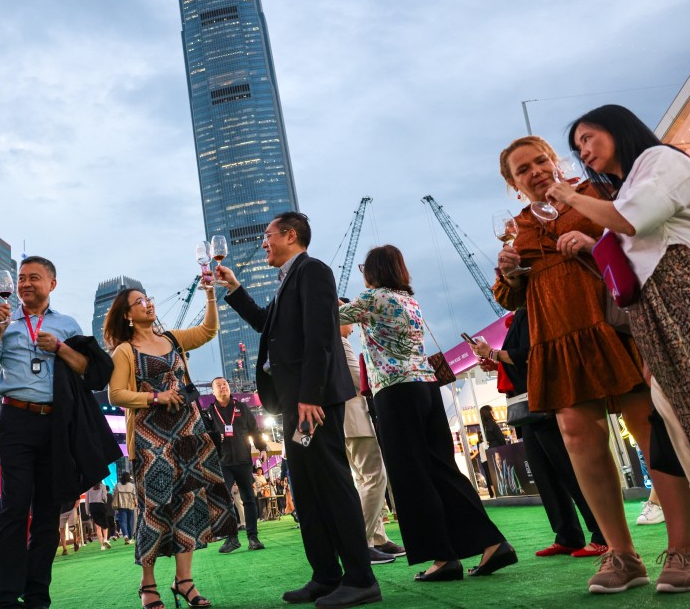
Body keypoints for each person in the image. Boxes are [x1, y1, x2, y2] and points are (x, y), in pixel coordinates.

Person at [495, 133, 690, 592]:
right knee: (577, 435)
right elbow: (510, 297)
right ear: (513, 184)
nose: (535, 172)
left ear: (555, 160)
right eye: (523, 170)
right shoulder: (519, 226)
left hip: (614, 325)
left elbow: (640, 239)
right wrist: (507, 273)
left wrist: (591, 241)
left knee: (649, 428)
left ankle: (683, 549)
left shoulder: (594, 191)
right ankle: (622, 554)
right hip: (556, 336)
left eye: (540, 161)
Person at [545, 105, 690, 590]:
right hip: (655, 318)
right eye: (578, 147)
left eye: (588, 138)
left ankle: (681, 551)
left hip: (685, 298)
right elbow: (628, 260)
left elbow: (635, 222)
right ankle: (678, 554)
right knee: (671, 426)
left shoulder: (660, 160)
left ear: (619, 129)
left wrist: (571, 197)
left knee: (677, 423)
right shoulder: (625, 187)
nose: (584, 151)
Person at [217, 211, 381, 608]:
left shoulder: (313, 271)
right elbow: (265, 324)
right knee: (307, 491)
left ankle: (361, 578)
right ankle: (325, 575)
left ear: (290, 236)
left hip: (313, 402)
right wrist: (234, 287)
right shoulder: (287, 280)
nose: (263, 243)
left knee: (333, 484)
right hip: (294, 402)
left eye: (268, 235)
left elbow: (321, 337)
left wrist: (311, 395)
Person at [340, 244, 515, 584]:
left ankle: (443, 557)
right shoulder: (410, 300)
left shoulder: (373, 298)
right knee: (442, 470)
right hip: (426, 386)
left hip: (396, 391)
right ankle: (492, 542)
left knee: (411, 476)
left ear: (373, 271)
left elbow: (332, 317)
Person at [0, 255, 120, 609]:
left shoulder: (67, 325)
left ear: (52, 284)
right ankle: (6, 597)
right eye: (21, 278)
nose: (25, 284)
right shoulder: (4, 321)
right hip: (15, 420)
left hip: (56, 424)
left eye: (34, 277)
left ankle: (37, 594)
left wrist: (60, 347)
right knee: (13, 507)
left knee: (47, 512)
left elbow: (89, 370)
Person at [106, 282, 235, 609]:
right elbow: (116, 394)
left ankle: (184, 581)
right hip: (150, 439)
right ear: (128, 315)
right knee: (154, 508)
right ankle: (148, 585)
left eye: (148, 299)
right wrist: (156, 396)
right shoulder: (125, 351)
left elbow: (208, 330)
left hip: (188, 432)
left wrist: (210, 295)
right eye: (139, 302)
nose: (148, 304)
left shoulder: (172, 339)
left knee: (189, 503)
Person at [471, 310, 607, 558]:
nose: (496, 291)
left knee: (568, 469)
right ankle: (567, 535)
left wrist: (492, 353)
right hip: (529, 405)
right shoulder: (520, 315)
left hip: (544, 401)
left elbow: (528, 356)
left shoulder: (529, 312)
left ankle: (602, 533)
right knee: (545, 474)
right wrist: (497, 363)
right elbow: (522, 363)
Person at [338, 304, 405, 564]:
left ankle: (377, 538)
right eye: (349, 318)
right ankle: (362, 542)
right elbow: (359, 379)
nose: (354, 325)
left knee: (366, 479)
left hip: (349, 420)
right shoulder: (341, 343)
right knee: (375, 478)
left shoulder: (333, 342)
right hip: (354, 418)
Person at [205, 376, 268, 553]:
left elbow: (254, 429)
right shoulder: (209, 412)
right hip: (222, 462)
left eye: (224, 384)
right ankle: (232, 538)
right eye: (218, 385)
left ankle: (253, 537)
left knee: (248, 499)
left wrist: (262, 448)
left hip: (243, 460)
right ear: (213, 392)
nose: (222, 387)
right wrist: (215, 437)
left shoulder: (242, 407)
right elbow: (205, 435)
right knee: (224, 500)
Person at [86, 483, 112, 550]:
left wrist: (87, 511)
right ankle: (105, 539)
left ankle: (102, 546)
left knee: (98, 528)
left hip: (92, 507)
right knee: (105, 525)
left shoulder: (89, 486)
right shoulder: (102, 486)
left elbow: (87, 500)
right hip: (100, 506)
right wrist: (105, 501)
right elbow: (104, 497)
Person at [114, 473, 137, 544]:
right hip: (130, 505)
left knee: (123, 522)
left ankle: (125, 535)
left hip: (121, 506)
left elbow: (114, 494)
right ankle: (130, 539)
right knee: (130, 522)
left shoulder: (118, 485)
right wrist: (136, 503)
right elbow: (134, 496)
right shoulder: (131, 485)